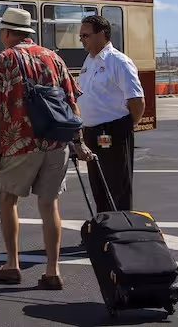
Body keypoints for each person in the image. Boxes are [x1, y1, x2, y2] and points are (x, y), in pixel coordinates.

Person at [0, 7, 86, 290]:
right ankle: (53, 271)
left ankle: (12, 264)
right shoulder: (53, 57)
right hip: (56, 139)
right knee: (49, 204)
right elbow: (71, 100)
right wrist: (78, 140)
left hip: (21, 140)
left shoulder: (3, 60)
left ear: (7, 33)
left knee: (8, 199)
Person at [76, 15, 145, 212]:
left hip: (113, 131)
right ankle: (104, 230)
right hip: (91, 131)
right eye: (80, 36)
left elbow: (137, 100)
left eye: (86, 35)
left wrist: (126, 127)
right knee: (98, 184)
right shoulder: (89, 61)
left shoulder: (119, 61)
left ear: (102, 34)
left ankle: (120, 232)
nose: (82, 39)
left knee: (116, 184)